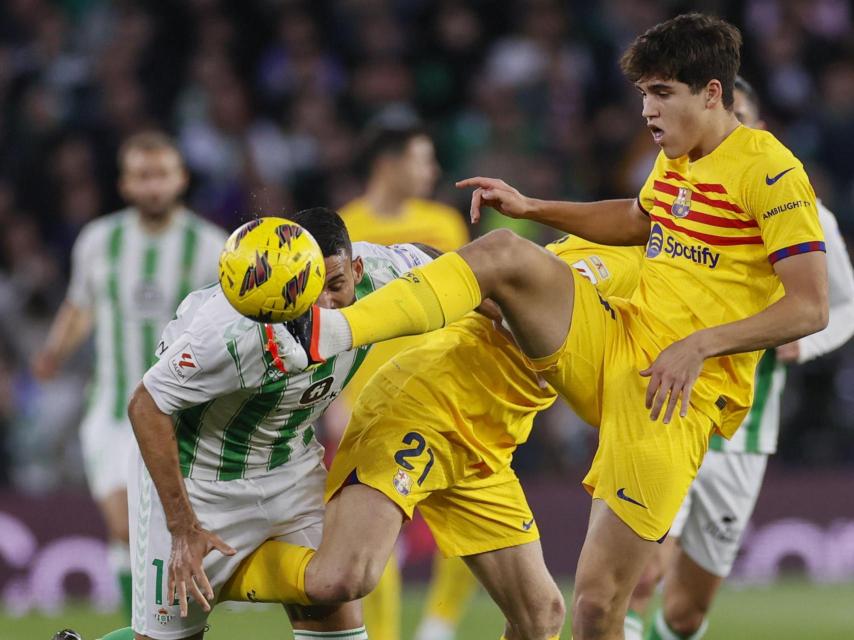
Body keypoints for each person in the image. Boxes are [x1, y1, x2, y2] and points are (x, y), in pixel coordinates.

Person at [278, 14, 829, 640]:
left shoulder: (771, 172)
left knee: (597, 608)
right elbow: (637, 219)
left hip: (672, 395)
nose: (647, 110)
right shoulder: (677, 158)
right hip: (616, 341)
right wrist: (532, 207)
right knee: (504, 254)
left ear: (711, 93)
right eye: (643, 93)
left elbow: (810, 308)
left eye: (662, 93)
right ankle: (335, 330)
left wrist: (700, 345)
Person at [217, 232, 645, 640]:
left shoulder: (663, 290)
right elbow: (502, 262)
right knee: (348, 575)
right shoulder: (617, 256)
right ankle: (214, 569)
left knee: (540, 615)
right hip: (426, 407)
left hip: (488, 441)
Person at [114, 208, 436, 640]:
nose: (325, 305)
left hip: (290, 469)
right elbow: (145, 404)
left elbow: (449, 268)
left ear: (357, 269)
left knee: (335, 607)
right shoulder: (230, 331)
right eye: (311, 291)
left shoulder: (380, 272)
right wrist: (182, 527)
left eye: (337, 285)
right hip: (201, 485)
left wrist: (498, 312)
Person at [623, 76, 854, 640]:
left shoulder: (805, 212)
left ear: (758, 129)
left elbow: (844, 306)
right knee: (641, 575)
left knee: (686, 614)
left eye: (740, 121)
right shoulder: (677, 195)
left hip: (744, 432)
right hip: (670, 407)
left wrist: (804, 343)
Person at [31, 131, 227, 621]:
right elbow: (81, 306)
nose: (153, 185)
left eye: (161, 174)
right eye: (143, 176)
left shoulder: (209, 245)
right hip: (113, 409)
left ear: (181, 179)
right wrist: (54, 351)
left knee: (155, 531)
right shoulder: (100, 240)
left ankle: (151, 623)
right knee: (124, 527)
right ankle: (143, 621)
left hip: (180, 415)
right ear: (125, 184)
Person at [337, 123, 472, 640]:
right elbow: (330, 315)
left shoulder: (444, 224)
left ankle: (439, 625)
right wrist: (335, 398)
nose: (432, 170)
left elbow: (466, 300)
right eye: (422, 159)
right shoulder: (345, 226)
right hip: (368, 401)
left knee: (470, 515)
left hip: (442, 392)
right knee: (373, 531)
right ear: (388, 164)